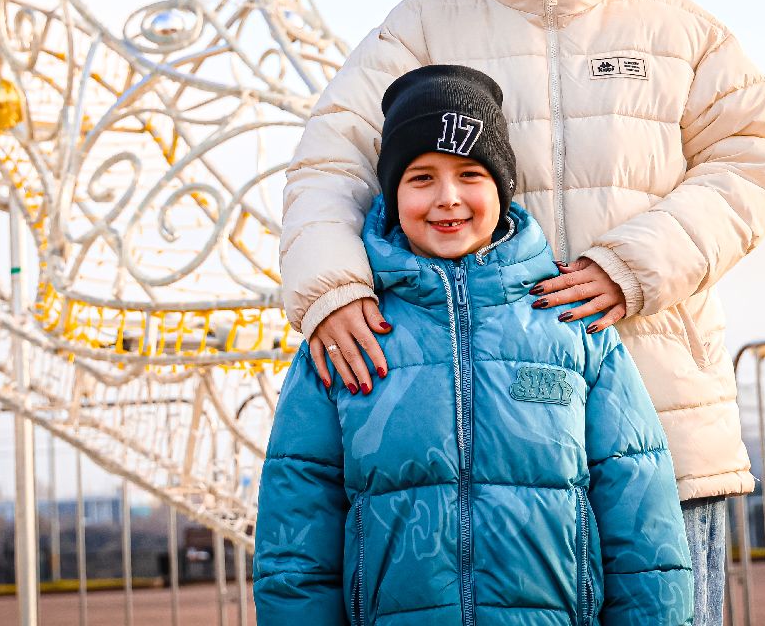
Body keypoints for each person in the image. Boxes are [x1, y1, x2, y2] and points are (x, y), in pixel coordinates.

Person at [279, 0, 765, 623]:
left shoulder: (676, 27)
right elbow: (327, 162)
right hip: (463, 436)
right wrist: (331, 289)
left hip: (663, 424)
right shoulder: (424, 22)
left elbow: (757, 156)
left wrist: (633, 264)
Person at [255, 65, 692, 624]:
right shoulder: (347, 337)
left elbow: (640, 510)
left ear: (501, 188)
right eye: (420, 178)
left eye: (470, 175)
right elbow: (296, 534)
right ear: (391, 195)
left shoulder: (570, 324)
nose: (448, 199)